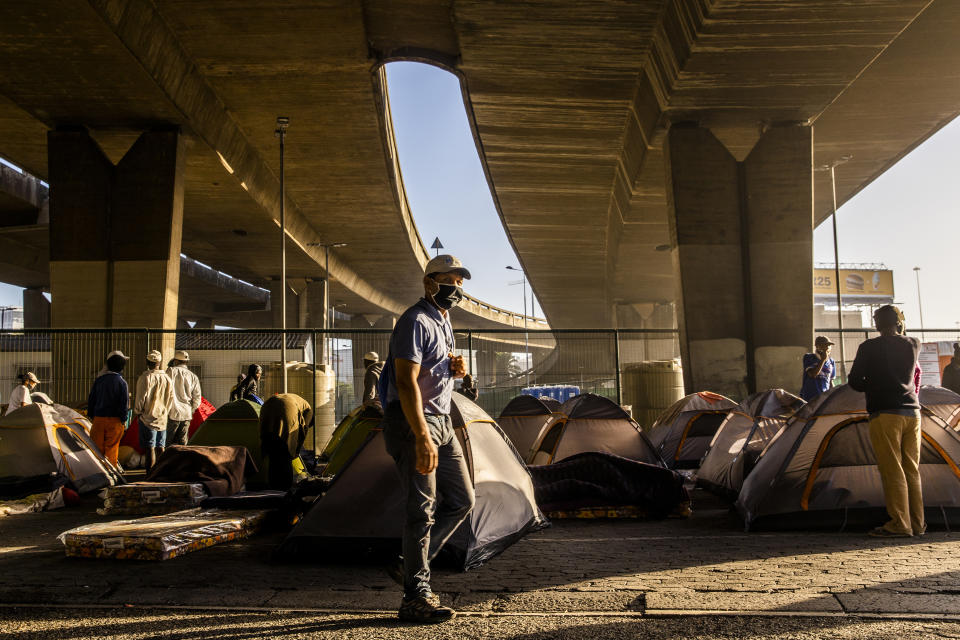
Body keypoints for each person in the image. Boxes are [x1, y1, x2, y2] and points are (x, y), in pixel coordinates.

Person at [377, 254, 476, 623]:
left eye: (461, 282)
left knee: (463, 499)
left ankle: (408, 565)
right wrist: (420, 435)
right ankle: (415, 597)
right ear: (430, 282)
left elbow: (433, 370)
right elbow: (405, 381)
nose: (458, 289)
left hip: (441, 421)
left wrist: (456, 371)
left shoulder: (443, 320)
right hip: (411, 423)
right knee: (422, 510)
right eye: (451, 281)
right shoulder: (414, 320)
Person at [848, 304, 923, 538]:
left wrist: (874, 383)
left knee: (893, 470)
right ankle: (918, 524)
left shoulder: (869, 347)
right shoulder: (913, 343)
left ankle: (900, 524)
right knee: (912, 469)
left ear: (877, 323)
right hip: (913, 412)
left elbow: (855, 381)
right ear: (898, 321)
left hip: (885, 413)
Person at [259, 393, 313, 490]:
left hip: (267, 407)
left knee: (273, 451)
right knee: (286, 452)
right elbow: (303, 431)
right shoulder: (309, 411)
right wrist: (296, 451)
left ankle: (273, 485)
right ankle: (284, 488)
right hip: (287, 408)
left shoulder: (298, 400)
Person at [88, 351, 130, 467]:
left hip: (98, 419)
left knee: (97, 449)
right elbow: (124, 404)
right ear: (122, 367)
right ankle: (110, 473)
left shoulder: (99, 381)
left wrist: (91, 415)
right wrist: (123, 419)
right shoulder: (122, 383)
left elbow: (92, 399)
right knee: (112, 449)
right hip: (115, 421)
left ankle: (98, 471)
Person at [134, 350, 174, 473]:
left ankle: (149, 474)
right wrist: (165, 411)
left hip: (147, 418)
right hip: (162, 417)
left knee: (150, 448)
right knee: (161, 447)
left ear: (147, 362)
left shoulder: (145, 377)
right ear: (160, 362)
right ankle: (161, 473)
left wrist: (138, 411)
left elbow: (141, 397)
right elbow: (171, 397)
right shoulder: (167, 378)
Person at [166, 350, 202, 446]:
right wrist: (192, 410)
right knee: (182, 443)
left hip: (172, 413)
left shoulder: (170, 372)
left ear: (176, 361)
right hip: (186, 413)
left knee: (168, 443)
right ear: (186, 362)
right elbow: (197, 397)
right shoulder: (193, 376)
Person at [800, 336, 836, 402]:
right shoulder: (809, 357)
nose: (828, 347)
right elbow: (812, 374)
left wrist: (834, 396)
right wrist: (823, 360)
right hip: (810, 397)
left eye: (829, 345)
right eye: (825, 345)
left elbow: (830, 381)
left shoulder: (831, 361)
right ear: (817, 346)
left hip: (824, 398)